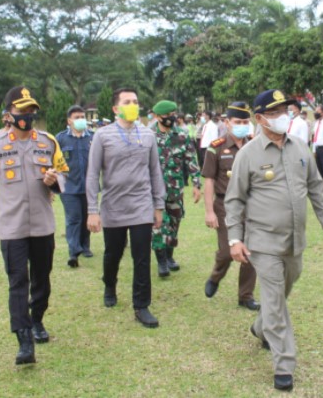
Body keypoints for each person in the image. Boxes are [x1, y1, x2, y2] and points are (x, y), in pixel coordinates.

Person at [225, 89, 323, 392]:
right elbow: (233, 201)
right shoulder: (249, 154)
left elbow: (315, 186)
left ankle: (260, 327)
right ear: (259, 119)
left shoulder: (300, 147)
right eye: (273, 113)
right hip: (263, 241)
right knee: (274, 300)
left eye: (284, 110)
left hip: (295, 240)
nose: (282, 117)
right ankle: (284, 364)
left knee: (284, 290)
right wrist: (235, 239)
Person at [0, 86, 69, 365]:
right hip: (12, 228)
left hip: (43, 226)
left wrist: (54, 181)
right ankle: (24, 339)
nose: (27, 115)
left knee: (42, 279)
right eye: (22, 110)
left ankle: (37, 320)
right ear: (8, 114)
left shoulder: (47, 143)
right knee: (17, 282)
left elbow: (63, 176)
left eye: (31, 110)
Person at [86, 87, 166, 328]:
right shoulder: (102, 135)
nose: (132, 105)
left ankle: (141, 305)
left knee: (142, 256)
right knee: (113, 253)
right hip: (113, 206)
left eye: (135, 101)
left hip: (141, 204)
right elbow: (92, 174)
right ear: (115, 108)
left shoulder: (148, 135)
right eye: (127, 101)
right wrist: (92, 210)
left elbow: (155, 171)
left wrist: (158, 205)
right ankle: (109, 284)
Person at [202, 102, 259, 311]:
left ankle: (245, 295)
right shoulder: (215, 147)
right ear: (227, 123)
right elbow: (208, 180)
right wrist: (209, 212)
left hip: (251, 205)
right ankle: (216, 276)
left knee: (251, 250)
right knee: (227, 251)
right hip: (224, 205)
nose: (242, 125)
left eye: (246, 121)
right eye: (238, 122)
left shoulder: (255, 145)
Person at [150, 100, 202, 277]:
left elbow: (191, 159)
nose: (171, 118)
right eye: (167, 116)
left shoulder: (182, 135)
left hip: (175, 189)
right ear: (157, 117)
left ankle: (170, 255)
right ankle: (161, 261)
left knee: (174, 223)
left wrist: (196, 183)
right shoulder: (148, 135)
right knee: (158, 225)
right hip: (153, 191)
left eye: (173, 114)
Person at [56, 105, 94, 268]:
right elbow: (54, 162)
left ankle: (85, 246)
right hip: (68, 187)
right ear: (69, 121)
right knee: (74, 219)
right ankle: (73, 252)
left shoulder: (92, 138)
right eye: (77, 117)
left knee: (87, 218)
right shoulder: (61, 139)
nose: (81, 120)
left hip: (89, 187)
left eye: (82, 117)